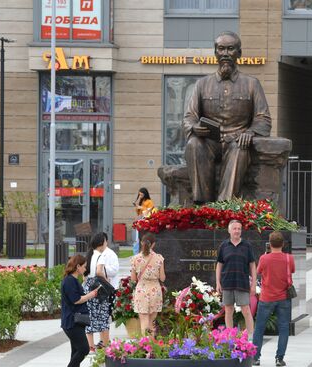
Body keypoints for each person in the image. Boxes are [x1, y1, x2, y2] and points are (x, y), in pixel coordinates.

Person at [182, 31, 272, 204]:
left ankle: (225, 206)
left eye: (230, 49)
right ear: (215, 52)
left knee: (240, 148)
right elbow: (189, 117)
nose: (225, 53)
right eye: (221, 49)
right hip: (209, 142)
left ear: (239, 53)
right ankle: (202, 204)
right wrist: (194, 128)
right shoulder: (202, 84)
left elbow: (263, 119)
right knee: (193, 144)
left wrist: (251, 132)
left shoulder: (252, 84)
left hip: (236, 140)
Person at [252, 231, 295, 366]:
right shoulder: (289, 258)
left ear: (269, 245)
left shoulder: (264, 258)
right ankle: (279, 358)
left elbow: (258, 271)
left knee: (259, 328)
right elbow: (292, 271)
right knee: (283, 329)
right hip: (283, 297)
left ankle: (256, 358)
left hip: (266, 298)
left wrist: (266, 255)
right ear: (283, 244)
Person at [216, 219, 257, 335]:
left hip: (242, 283)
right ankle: (230, 337)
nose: (237, 231)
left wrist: (253, 284)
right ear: (229, 231)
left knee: (246, 310)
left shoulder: (247, 246)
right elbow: (219, 264)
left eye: (239, 229)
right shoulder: (224, 246)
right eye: (234, 228)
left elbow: (252, 265)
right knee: (228, 310)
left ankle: (250, 337)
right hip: (227, 283)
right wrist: (218, 283)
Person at [83, 232, 119, 353]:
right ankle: (105, 345)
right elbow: (99, 271)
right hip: (99, 288)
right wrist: (105, 279)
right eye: (105, 241)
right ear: (102, 243)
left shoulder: (89, 254)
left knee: (90, 317)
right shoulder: (101, 255)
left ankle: (91, 347)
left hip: (89, 287)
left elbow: (85, 274)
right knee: (103, 316)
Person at [61, 254, 99, 367]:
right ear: (78, 266)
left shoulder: (73, 280)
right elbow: (76, 300)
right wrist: (91, 295)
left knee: (75, 352)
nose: (85, 269)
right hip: (72, 322)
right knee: (84, 349)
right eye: (84, 266)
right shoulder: (69, 281)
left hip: (76, 321)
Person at [130, 232, 166, 335]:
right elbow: (162, 278)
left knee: (143, 320)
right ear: (153, 244)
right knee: (152, 321)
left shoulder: (135, 259)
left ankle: (145, 345)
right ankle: (152, 347)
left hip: (141, 290)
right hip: (155, 290)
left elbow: (133, 279)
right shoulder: (159, 258)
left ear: (141, 243)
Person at [132, 188, 154, 255]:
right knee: (137, 238)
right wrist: (137, 203)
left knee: (144, 237)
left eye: (141, 195)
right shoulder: (140, 201)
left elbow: (149, 210)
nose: (140, 196)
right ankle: (136, 253)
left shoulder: (149, 201)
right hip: (140, 220)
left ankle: (145, 251)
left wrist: (141, 207)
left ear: (145, 194)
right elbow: (138, 212)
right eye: (139, 195)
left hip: (146, 220)